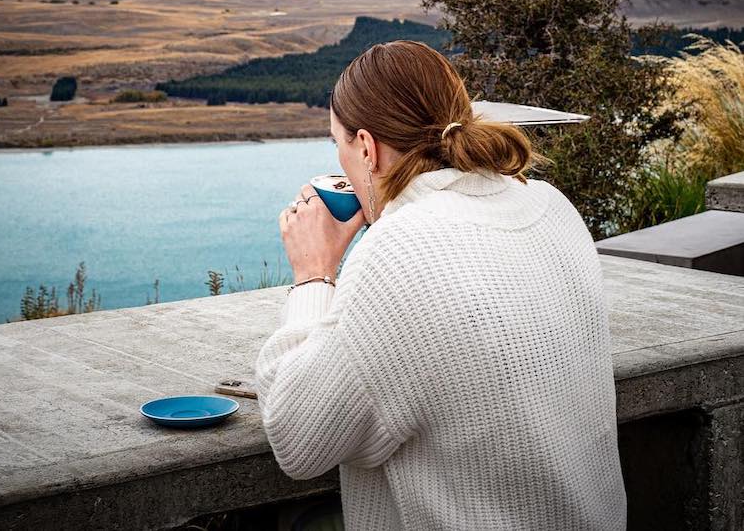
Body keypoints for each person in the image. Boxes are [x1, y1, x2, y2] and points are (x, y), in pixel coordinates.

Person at [254, 40, 627, 531]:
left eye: (337, 145)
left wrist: (314, 273)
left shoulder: (398, 251)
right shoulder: (550, 204)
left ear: (366, 147)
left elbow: (298, 438)